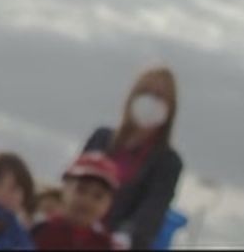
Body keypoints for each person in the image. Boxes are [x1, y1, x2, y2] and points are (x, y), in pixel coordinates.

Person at [82, 67, 184, 250]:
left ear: (170, 108)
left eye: (159, 96)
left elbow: (152, 210)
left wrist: (123, 238)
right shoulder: (101, 137)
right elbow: (74, 182)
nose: (150, 101)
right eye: (145, 92)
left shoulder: (168, 162)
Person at [31, 152, 122, 251]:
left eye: (98, 196)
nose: (87, 201)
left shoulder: (106, 244)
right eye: (81, 190)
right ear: (64, 188)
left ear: (108, 204)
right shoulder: (39, 229)